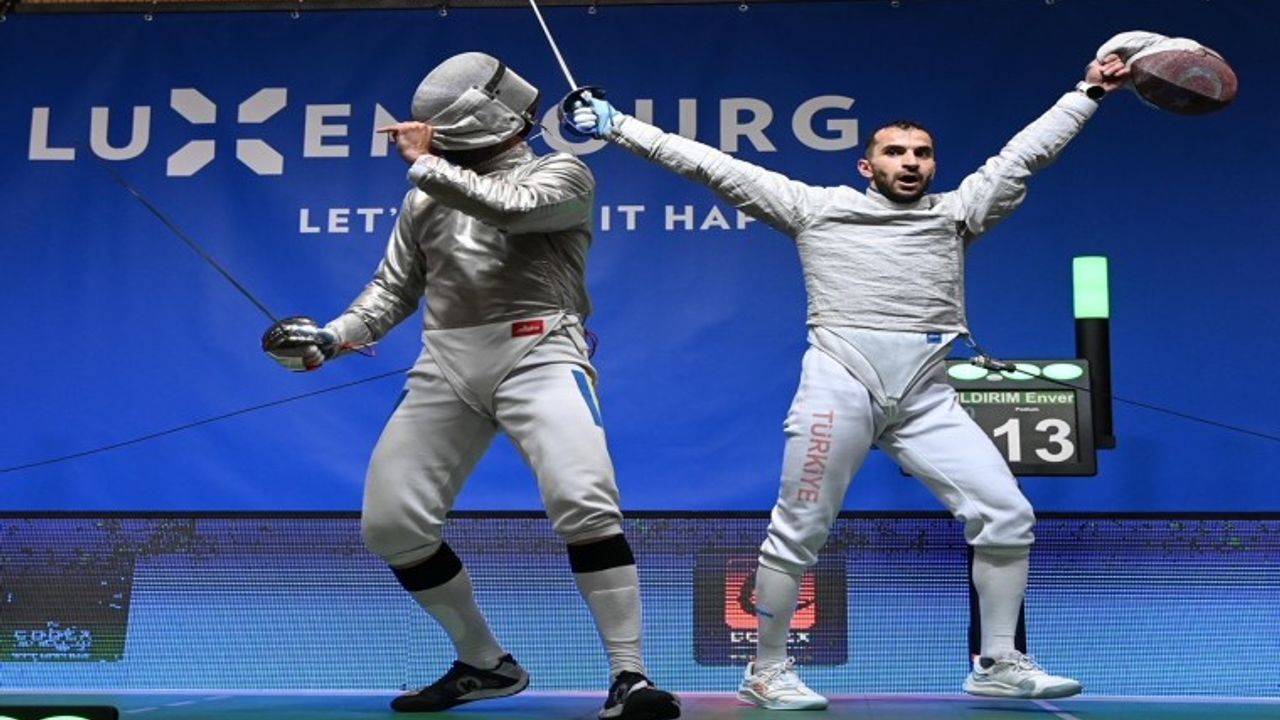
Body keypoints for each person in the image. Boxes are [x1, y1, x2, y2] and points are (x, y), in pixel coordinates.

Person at [564, 46, 1135, 709]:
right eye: (896, 152)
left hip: (925, 396)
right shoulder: (815, 208)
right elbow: (708, 164)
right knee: (799, 529)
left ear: (934, 165)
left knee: (1007, 515)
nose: (911, 162)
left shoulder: (957, 214)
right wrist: (616, 126)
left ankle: (997, 661)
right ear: (868, 166)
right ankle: (765, 671)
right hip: (841, 387)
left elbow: (1023, 157)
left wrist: (1087, 93)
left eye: (922, 153)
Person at [262, 51, 680, 720]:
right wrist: (330, 339)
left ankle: (630, 677)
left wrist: (426, 164)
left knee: (584, 501)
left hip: (541, 352)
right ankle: (484, 663)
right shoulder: (425, 196)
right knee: (392, 526)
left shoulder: (562, 172)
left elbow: (511, 210)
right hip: (447, 363)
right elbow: (392, 290)